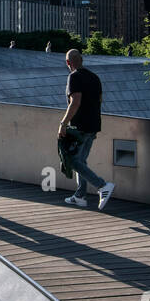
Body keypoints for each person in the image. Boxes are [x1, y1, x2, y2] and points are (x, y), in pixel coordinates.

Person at [58, 48, 114, 210]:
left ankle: (102, 186)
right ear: (81, 60)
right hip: (93, 125)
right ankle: (80, 195)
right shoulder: (94, 77)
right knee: (81, 160)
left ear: (68, 63)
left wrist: (63, 123)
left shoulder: (73, 77)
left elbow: (75, 102)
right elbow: (100, 100)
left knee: (73, 161)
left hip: (79, 127)